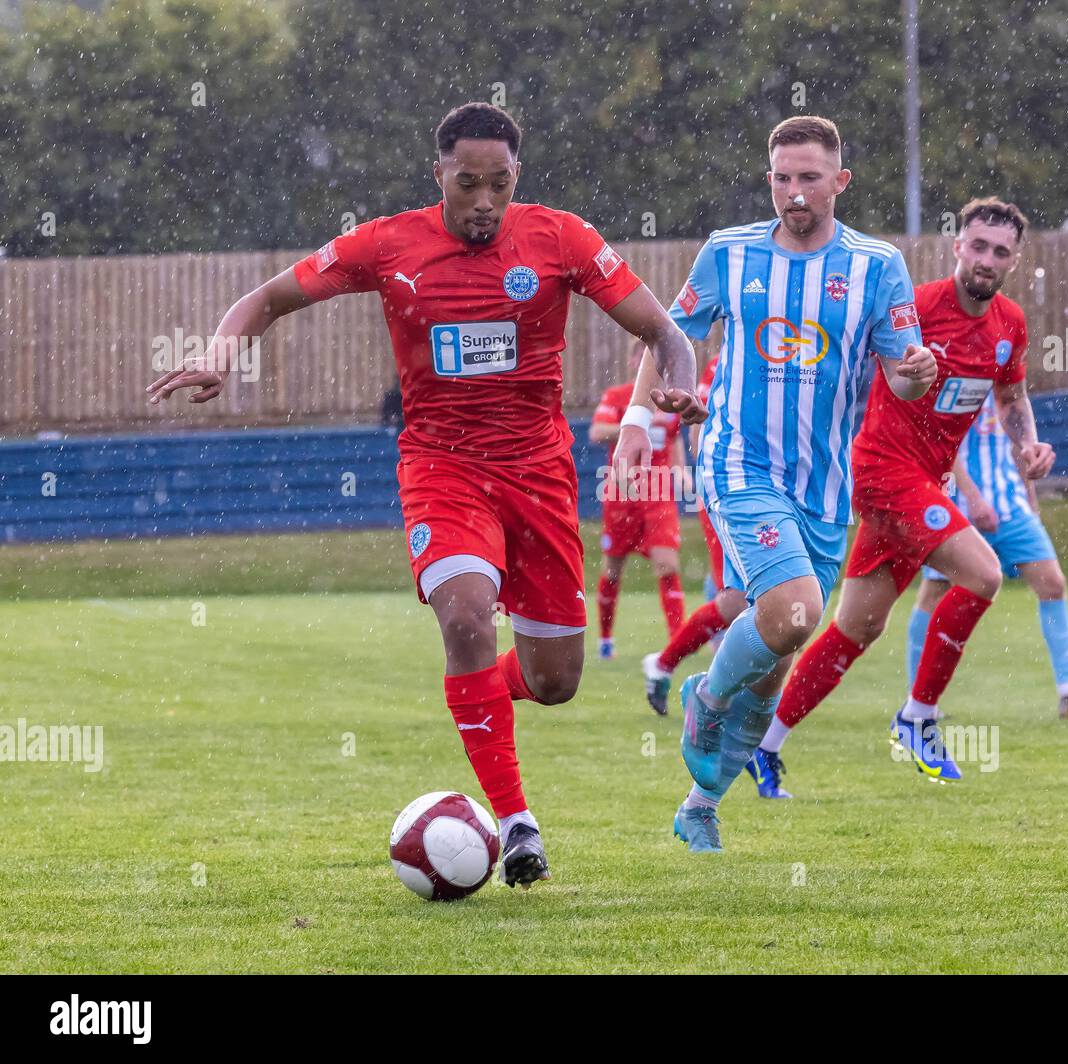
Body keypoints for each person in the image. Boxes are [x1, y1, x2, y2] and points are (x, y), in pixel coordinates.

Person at [146, 101, 702, 888]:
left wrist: (677, 384)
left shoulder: (562, 239)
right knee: (468, 617)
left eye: (498, 184)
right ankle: (517, 823)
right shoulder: (387, 243)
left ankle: (478, 699)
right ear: (438, 173)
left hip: (539, 476)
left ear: (518, 179)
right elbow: (265, 299)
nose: (483, 200)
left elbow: (664, 331)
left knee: (554, 682)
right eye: (467, 182)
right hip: (442, 471)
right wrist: (218, 355)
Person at [614, 115, 936, 851]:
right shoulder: (729, 253)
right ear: (769, 181)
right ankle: (705, 693)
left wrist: (922, 374)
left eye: (810, 178)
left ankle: (700, 804)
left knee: (779, 658)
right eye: (783, 179)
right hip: (737, 463)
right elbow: (670, 338)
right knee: (793, 614)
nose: (795, 193)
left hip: (823, 489)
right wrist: (641, 419)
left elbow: (903, 377)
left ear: (840, 182)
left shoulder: (877, 266)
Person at [752, 198, 1053, 793]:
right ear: (957, 247)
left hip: (925, 483)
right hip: (884, 470)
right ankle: (918, 718)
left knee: (856, 628)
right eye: (978, 246)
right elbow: (842, 361)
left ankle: (763, 746)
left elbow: (1013, 400)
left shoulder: (1010, 325)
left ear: (1014, 260)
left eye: (1000, 251)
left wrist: (1028, 447)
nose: (987, 259)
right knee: (984, 575)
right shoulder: (916, 307)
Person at [907, 393, 1068, 719]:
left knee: (1052, 583)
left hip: (1010, 504)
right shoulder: (950, 377)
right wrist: (973, 499)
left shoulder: (1004, 378)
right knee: (934, 593)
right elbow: (942, 447)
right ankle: (918, 701)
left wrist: (1030, 498)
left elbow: (1019, 440)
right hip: (957, 508)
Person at [639, 354, 748, 713]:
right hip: (730, 492)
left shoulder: (802, 348)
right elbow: (697, 427)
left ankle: (722, 688)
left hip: (782, 493)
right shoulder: (724, 362)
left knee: (779, 601)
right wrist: (712, 483)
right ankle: (683, 674)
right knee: (737, 602)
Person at [588, 341, 688, 660]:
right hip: (622, 491)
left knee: (667, 564)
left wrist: (682, 472)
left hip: (658, 492)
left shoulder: (673, 403)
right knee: (613, 569)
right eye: (649, 359)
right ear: (635, 362)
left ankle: (677, 642)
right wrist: (635, 423)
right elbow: (597, 431)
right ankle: (605, 640)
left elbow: (673, 442)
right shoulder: (619, 398)